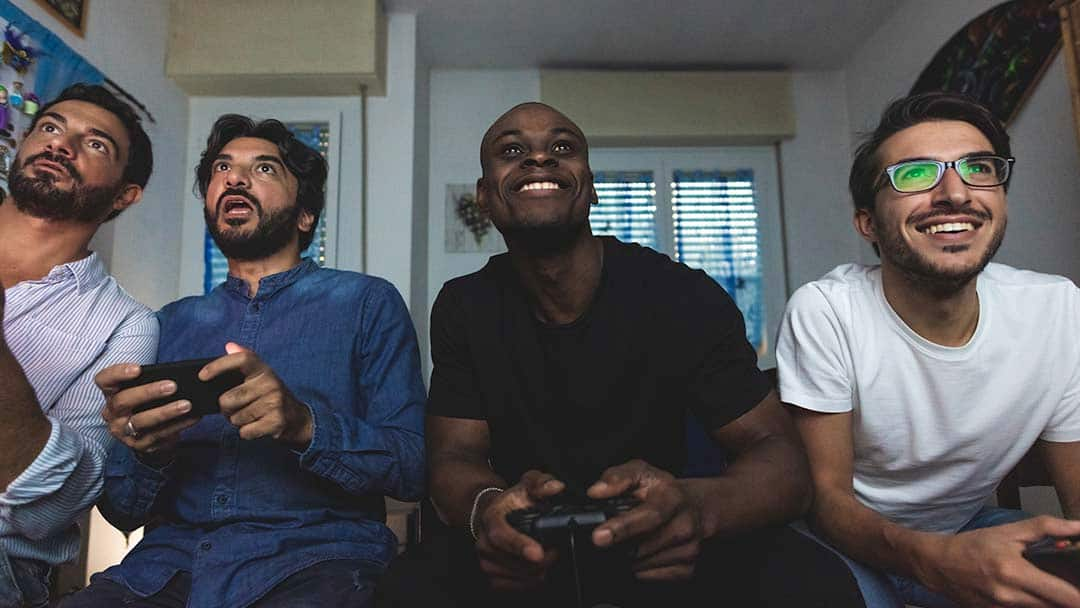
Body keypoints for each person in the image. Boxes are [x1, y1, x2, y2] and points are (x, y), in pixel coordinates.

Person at [377, 102, 864, 607]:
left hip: (663, 535)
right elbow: (454, 457)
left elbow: (782, 461)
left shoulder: (681, 294)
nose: (539, 158)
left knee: (811, 582)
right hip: (528, 549)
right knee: (407, 590)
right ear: (484, 196)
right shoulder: (464, 306)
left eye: (562, 148)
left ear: (589, 186)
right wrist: (488, 511)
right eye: (513, 151)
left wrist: (696, 508)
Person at [61, 114, 426, 608]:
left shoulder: (366, 302)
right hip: (162, 572)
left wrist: (303, 425)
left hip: (317, 565)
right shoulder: (166, 324)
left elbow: (412, 467)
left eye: (265, 169)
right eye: (221, 168)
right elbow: (123, 512)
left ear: (304, 216)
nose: (234, 178)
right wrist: (149, 451)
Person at [777, 91, 1080, 608]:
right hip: (845, 543)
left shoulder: (1056, 308)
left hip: (969, 526)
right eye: (915, 174)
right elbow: (826, 501)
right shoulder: (827, 310)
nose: (955, 193)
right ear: (868, 223)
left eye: (978, 168)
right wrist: (936, 562)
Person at [0, 83, 156, 608]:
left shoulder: (124, 325)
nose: (60, 145)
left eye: (95, 145)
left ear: (123, 195)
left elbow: (51, 508)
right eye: (50, 127)